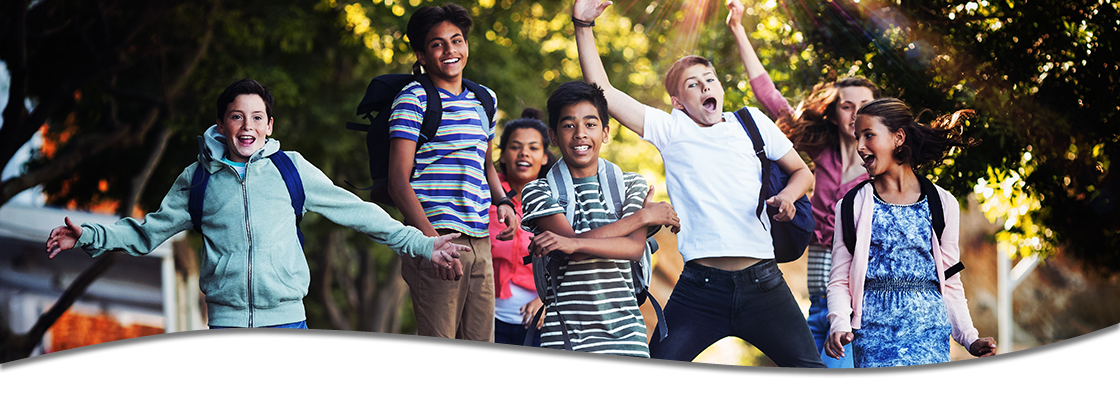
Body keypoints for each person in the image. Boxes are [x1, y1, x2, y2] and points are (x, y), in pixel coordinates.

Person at [44, 78, 471, 369]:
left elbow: (358, 211)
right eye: (236, 116)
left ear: (269, 125)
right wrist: (90, 236)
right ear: (221, 124)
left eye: (256, 117)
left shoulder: (291, 169)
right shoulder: (198, 178)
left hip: (288, 323)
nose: (246, 125)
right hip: (228, 329)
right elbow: (146, 232)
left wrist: (422, 243)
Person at [572, 0, 824, 367]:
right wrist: (583, 25)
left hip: (764, 284)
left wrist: (786, 197)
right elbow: (604, 93)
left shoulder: (750, 123)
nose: (705, 86)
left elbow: (803, 173)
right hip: (699, 290)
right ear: (678, 102)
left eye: (710, 79)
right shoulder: (672, 129)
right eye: (693, 84)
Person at [726, 0, 879, 368]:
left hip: (863, 287)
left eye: (864, 105)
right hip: (820, 286)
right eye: (846, 105)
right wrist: (738, 31)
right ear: (834, 110)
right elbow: (768, 97)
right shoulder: (819, 148)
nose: (855, 112)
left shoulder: (883, 166)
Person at [388, 2, 518, 369]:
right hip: (436, 236)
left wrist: (503, 201)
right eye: (437, 44)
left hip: (479, 239)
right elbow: (399, 182)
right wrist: (431, 243)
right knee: (438, 358)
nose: (450, 51)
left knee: (480, 357)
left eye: (457, 40)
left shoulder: (484, 99)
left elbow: (485, 164)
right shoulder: (413, 100)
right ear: (421, 54)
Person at [825, 97, 997, 367]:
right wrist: (839, 323)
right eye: (857, 137)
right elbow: (839, 280)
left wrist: (969, 337)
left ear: (898, 137)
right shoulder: (850, 206)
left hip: (929, 334)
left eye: (869, 135)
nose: (860, 146)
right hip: (873, 336)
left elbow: (950, 282)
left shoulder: (942, 203)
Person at [520, 81, 679, 369]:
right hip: (564, 346)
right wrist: (641, 217)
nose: (580, 134)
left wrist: (574, 242)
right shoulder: (538, 191)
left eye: (590, 124)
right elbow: (572, 250)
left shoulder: (632, 185)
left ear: (605, 132)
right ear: (553, 136)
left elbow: (631, 248)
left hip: (627, 343)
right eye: (569, 125)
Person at [489, 108, 555, 369]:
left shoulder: (557, 201)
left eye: (532, 148)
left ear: (544, 157)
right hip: (490, 326)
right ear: (503, 156)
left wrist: (546, 299)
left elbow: (571, 260)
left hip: (541, 328)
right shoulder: (484, 196)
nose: (524, 153)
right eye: (515, 147)